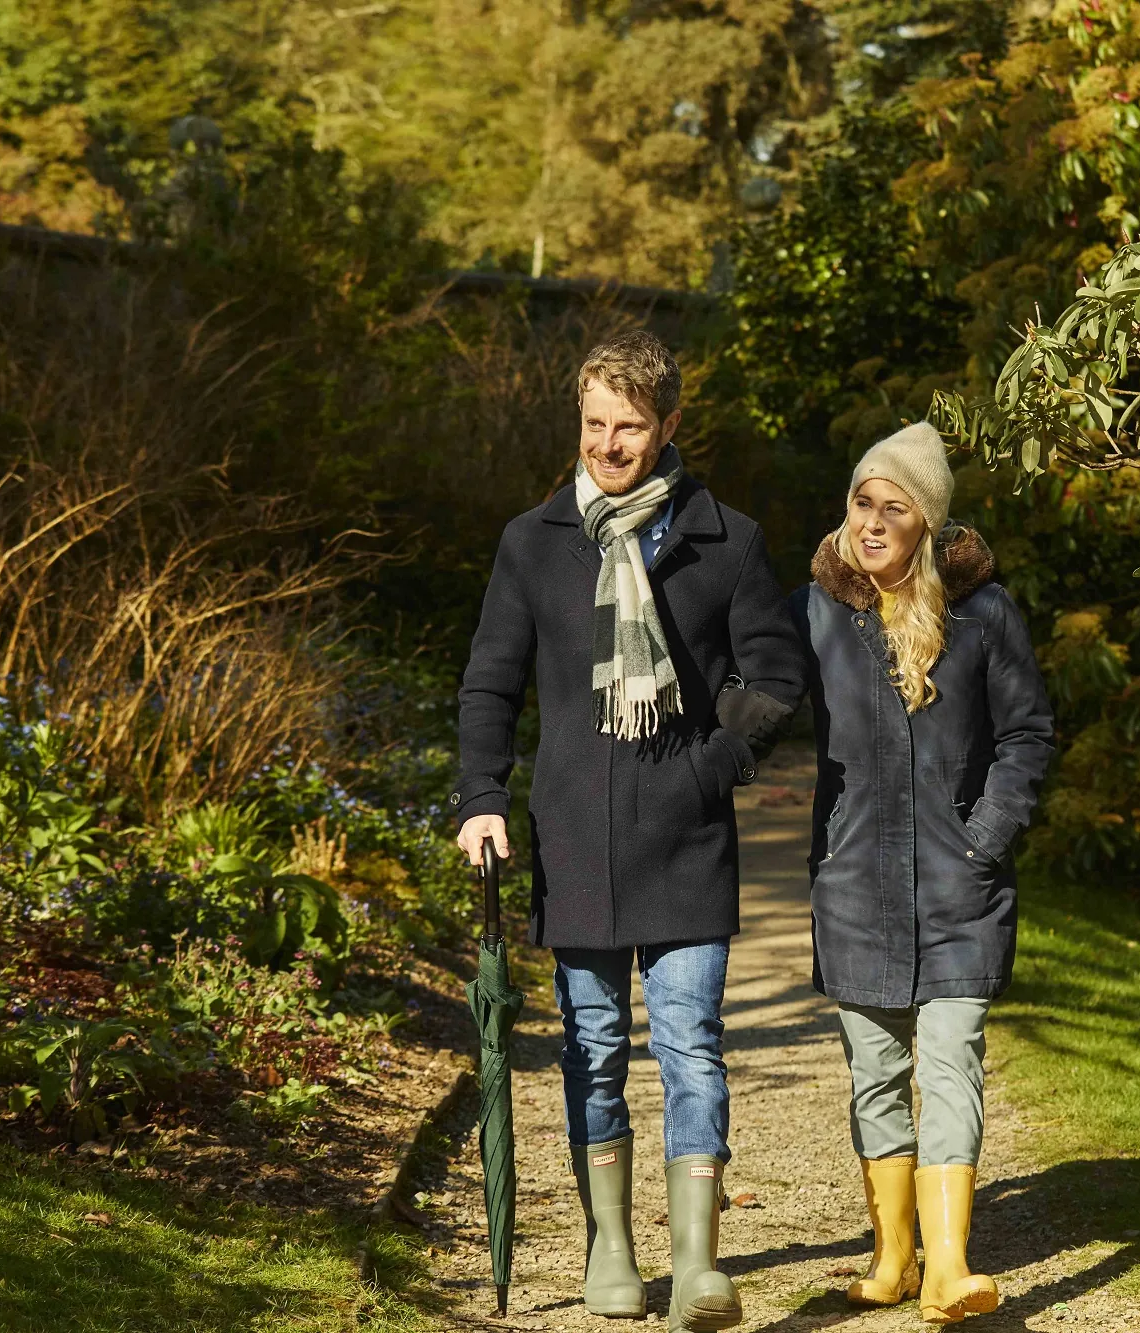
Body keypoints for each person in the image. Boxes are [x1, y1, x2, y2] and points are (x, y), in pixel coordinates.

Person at [452, 330, 802, 1330]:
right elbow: (489, 683)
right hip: (572, 836)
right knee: (592, 1043)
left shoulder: (722, 539)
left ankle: (696, 1260)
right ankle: (611, 1244)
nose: (609, 446)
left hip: (686, 832)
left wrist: (706, 771)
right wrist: (480, 795)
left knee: (690, 1041)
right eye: (595, 424)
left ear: (670, 426)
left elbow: (772, 677)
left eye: (630, 428)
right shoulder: (532, 542)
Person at [788, 422, 1054, 1325]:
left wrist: (985, 837)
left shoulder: (985, 614)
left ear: (928, 524)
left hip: (957, 884)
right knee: (873, 1067)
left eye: (892, 508)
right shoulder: (819, 610)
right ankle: (892, 1255)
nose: (870, 521)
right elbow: (752, 687)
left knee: (950, 1062)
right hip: (855, 881)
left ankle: (948, 1266)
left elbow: (1026, 736)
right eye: (862, 501)